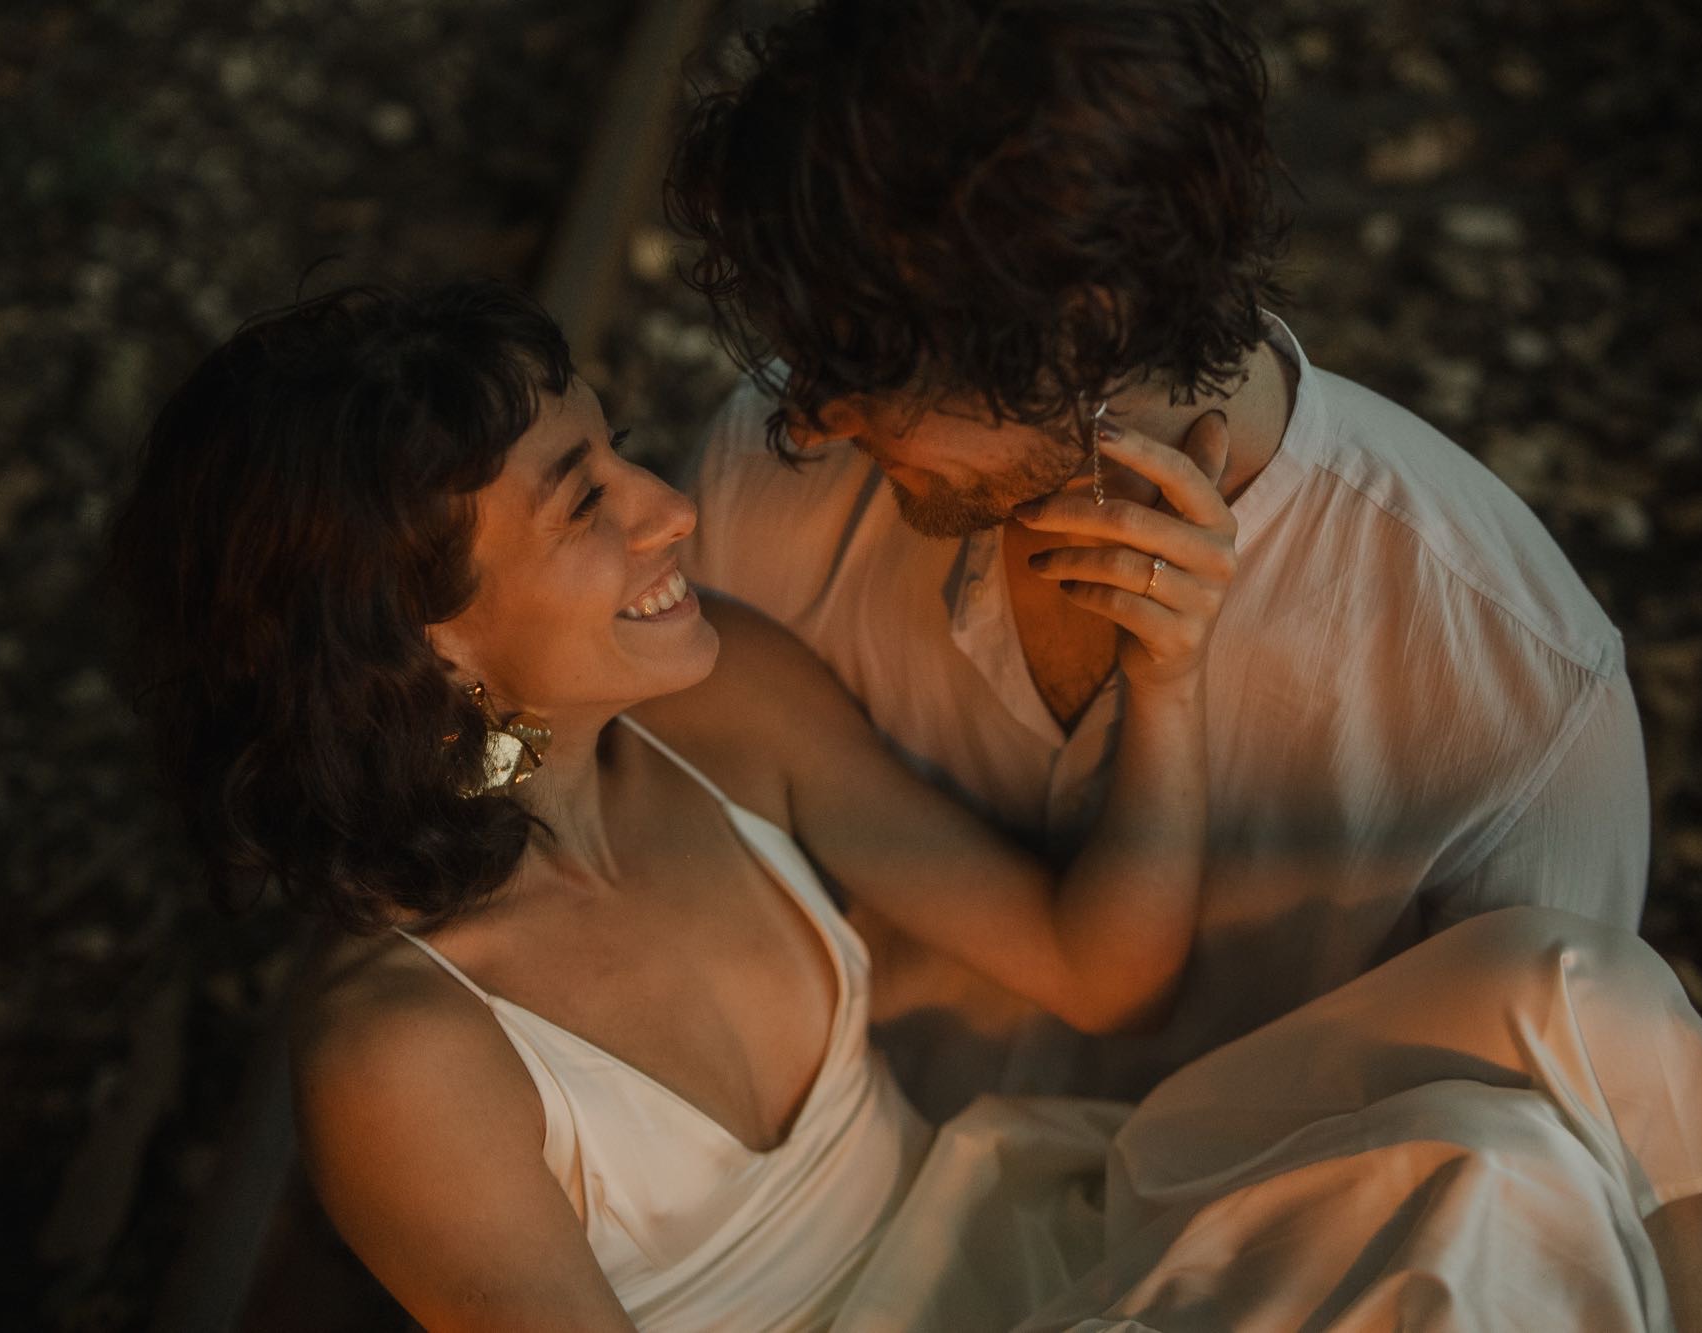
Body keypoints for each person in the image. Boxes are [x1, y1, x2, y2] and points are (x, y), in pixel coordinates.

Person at [108, 280, 1702, 1332]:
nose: (669, 506)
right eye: (581, 500)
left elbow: (1096, 969)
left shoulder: (714, 710)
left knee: (1573, 996)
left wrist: (1165, 680)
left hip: (1031, 1224)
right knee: (1488, 1215)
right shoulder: (404, 1055)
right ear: (413, 636)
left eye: (620, 451)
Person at [665, 0, 1652, 1112]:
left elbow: (1538, 1160)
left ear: (1086, 331)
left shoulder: (1518, 697)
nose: (810, 419)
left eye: (867, 372)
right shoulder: (764, 481)